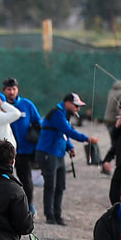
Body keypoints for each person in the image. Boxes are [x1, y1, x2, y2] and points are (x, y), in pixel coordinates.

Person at [35, 92, 91, 225]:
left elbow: (63, 134)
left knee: (60, 185)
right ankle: (49, 215)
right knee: (50, 185)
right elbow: (67, 130)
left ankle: (57, 214)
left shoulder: (64, 115)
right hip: (48, 153)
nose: (78, 109)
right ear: (67, 103)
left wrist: (69, 147)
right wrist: (86, 139)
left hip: (59, 154)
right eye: (76, 106)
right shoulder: (57, 114)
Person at [7, 80, 44, 210]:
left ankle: (29, 205)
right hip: (7, 150)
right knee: (6, 179)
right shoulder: (2, 106)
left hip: (25, 151)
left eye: (13, 89)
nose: (11, 92)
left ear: (17, 90)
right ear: (4, 91)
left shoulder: (27, 104)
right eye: (8, 89)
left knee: (26, 180)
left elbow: (38, 123)